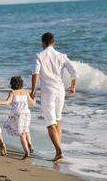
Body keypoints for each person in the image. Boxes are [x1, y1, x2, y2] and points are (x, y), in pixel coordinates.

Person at [31, 32, 77, 161]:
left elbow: (35, 73)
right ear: (54, 42)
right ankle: (58, 150)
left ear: (43, 43)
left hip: (48, 92)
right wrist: (73, 86)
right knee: (57, 120)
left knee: (50, 123)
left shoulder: (39, 56)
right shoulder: (62, 56)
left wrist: (33, 90)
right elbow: (73, 71)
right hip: (60, 91)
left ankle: (58, 150)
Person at [0, 76, 36, 160]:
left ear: (12, 84)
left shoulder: (13, 92)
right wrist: (35, 98)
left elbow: (7, 102)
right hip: (27, 113)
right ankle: (30, 144)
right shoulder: (25, 92)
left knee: (21, 133)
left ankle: (27, 152)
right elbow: (33, 104)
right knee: (26, 130)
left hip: (18, 115)